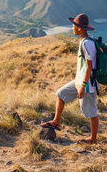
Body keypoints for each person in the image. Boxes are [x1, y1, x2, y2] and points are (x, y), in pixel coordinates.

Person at [41, 13, 99, 144]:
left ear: (80, 28)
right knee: (61, 94)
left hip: (87, 83)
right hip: (80, 81)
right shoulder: (86, 41)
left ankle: (93, 139)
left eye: (74, 25)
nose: (72, 27)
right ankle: (56, 122)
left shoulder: (86, 44)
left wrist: (83, 86)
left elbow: (89, 67)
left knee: (91, 111)